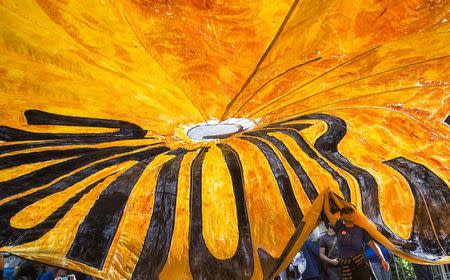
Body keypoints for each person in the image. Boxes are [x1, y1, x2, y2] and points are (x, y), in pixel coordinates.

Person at [324, 197, 389, 280]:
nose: (349, 214)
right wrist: (325, 195)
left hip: (361, 264)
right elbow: (327, 212)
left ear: (354, 214)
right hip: (345, 266)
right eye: (346, 213)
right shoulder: (339, 227)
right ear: (341, 216)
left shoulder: (361, 229)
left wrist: (382, 259)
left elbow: (372, 244)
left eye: (351, 212)